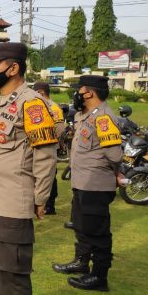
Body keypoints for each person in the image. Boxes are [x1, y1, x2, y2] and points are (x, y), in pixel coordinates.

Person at [0, 42, 58, 294]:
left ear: (12, 68)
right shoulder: (1, 103)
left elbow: (45, 155)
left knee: (11, 276)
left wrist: (40, 198)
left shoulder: (32, 104)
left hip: (11, 204)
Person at [52, 75, 123, 292]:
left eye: (79, 90)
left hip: (96, 185)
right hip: (83, 182)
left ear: (89, 93)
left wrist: (116, 174)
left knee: (98, 232)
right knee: (82, 227)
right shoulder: (86, 115)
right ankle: (81, 262)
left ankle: (99, 276)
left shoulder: (103, 118)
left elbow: (114, 155)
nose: (77, 94)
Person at [33, 81, 66, 215]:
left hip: (50, 146)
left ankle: (50, 205)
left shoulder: (53, 108)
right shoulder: (41, 105)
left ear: (41, 93)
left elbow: (59, 129)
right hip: (40, 146)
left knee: (50, 177)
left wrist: (50, 143)